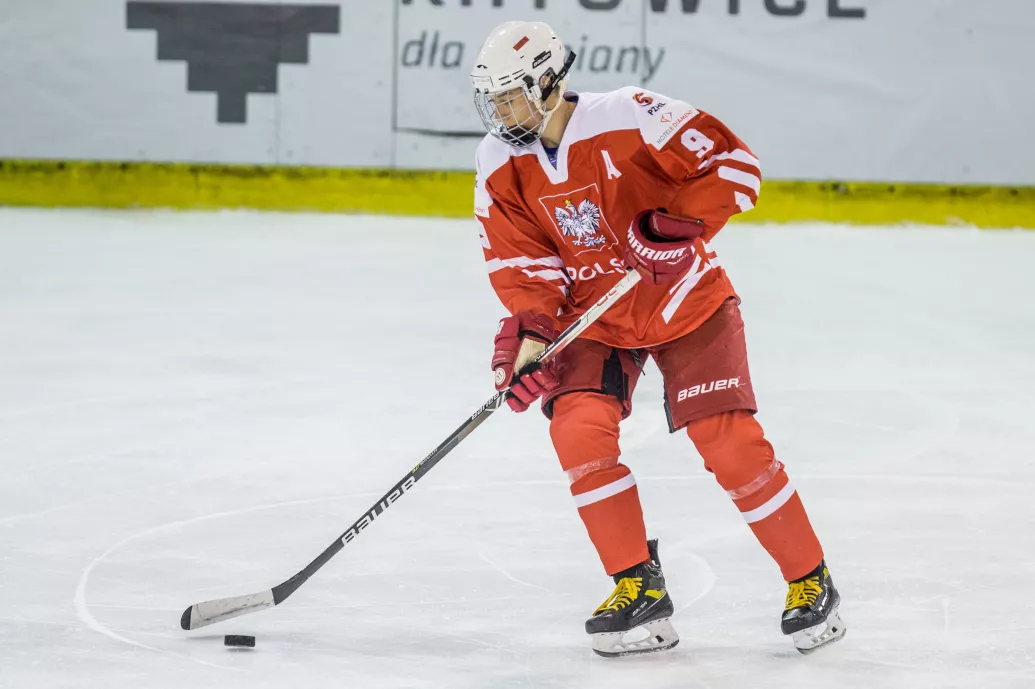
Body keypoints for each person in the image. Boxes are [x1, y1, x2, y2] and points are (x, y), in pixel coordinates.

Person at [470, 20, 845, 657]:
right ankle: (637, 586)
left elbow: (735, 166)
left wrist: (674, 225)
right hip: (596, 318)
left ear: (549, 82)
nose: (500, 112)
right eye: (493, 99)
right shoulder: (496, 162)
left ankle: (811, 579)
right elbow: (522, 262)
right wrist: (531, 337)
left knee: (727, 440)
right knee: (577, 430)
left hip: (686, 301)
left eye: (511, 96)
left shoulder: (631, 115)